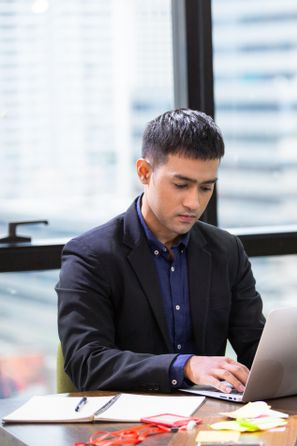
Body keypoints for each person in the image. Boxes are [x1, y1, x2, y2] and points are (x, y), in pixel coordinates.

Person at [56, 108, 265, 394]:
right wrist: (185, 366)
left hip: (210, 421)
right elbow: (87, 363)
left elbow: (255, 345)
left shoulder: (226, 250)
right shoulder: (90, 256)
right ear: (144, 172)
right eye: (181, 185)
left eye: (206, 188)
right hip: (127, 426)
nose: (194, 202)